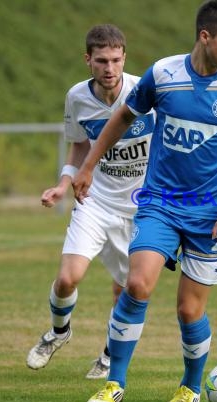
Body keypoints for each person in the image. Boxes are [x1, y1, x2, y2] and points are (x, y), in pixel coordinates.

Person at [73, 1, 217, 402]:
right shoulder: (163, 74)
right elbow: (123, 117)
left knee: (188, 310)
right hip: (160, 202)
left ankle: (191, 387)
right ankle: (114, 384)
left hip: (212, 215)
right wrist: (88, 165)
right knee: (137, 284)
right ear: (205, 37)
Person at [26, 24, 154, 378]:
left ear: (124, 58)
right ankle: (57, 332)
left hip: (142, 209)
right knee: (68, 278)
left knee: (126, 290)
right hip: (95, 200)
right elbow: (80, 144)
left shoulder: (145, 91)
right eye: (101, 61)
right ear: (88, 60)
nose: (109, 68)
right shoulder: (77, 97)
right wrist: (63, 183)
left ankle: (109, 355)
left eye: (115, 60)